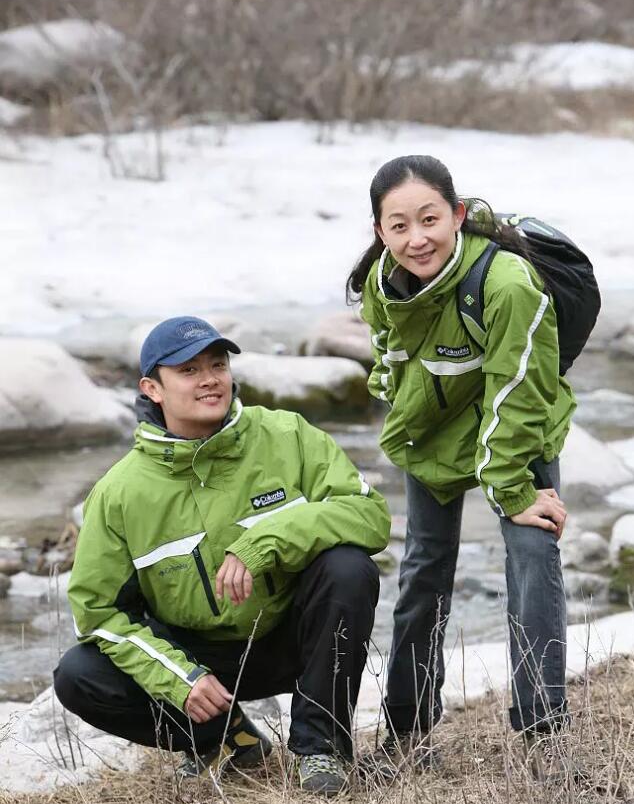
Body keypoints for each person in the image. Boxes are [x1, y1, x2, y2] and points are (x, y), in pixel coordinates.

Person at [54, 316, 390, 797]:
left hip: (289, 638)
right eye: (188, 370)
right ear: (153, 388)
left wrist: (265, 541)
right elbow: (99, 612)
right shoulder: (118, 494)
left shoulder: (287, 434)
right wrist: (179, 677)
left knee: (348, 568)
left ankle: (321, 747)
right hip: (201, 664)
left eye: (217, 363)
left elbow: (368, 514)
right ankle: (227, 738)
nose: (210, 378)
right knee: (78, 675)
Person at [347, 155, 576, 774]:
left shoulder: (506, 284)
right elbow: (389, 353)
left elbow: (519, 389)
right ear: (380, 232)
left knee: (531, 554)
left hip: (519, 423)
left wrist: (512, 490)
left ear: (456, 214)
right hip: (438, 429)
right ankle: (407, 727)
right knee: (424, 566)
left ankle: (544, 735)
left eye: (429, 219)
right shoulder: (381, 284)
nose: (415, 238)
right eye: (398, 226)